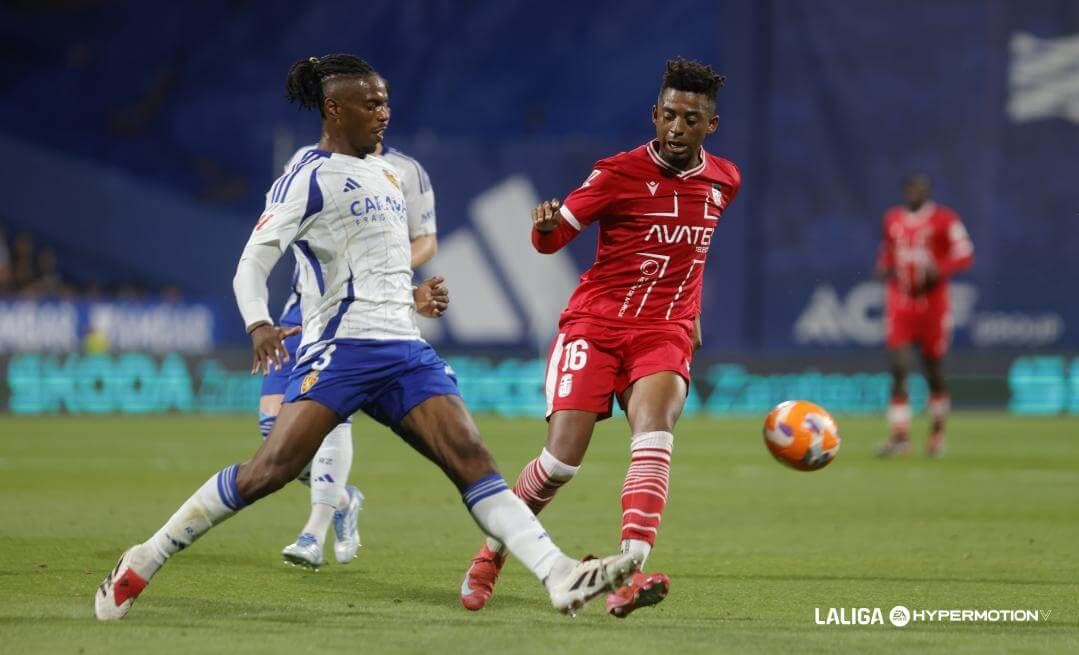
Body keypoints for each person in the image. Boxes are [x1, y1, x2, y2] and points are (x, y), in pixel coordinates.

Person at [94, 53, 637, 621]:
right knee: (269, 471)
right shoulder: (307, 177)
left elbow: (374, 269)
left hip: (402, 348)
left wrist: (411, 298)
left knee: (472, 457)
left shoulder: (386, 174)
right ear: (334, 109)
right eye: (371, 102)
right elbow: (252, 262)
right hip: (342, 349)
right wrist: (258, 323)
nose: (385, 111)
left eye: (385, 100)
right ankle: (142, 559)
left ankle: (559, 576)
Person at [458, 57, 740, 618]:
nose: (677, 127)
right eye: (669, 115)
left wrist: (693, 314)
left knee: (655, 433)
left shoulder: (723, 180)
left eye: (691, 118)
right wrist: (543, 226)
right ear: (654, 115)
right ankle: (491, 554)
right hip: (596, 324)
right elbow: (553, 237)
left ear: (712, 124)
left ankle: (628, 569)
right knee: (561, 462)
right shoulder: (617, 172)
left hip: (663, 332)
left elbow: (693, 254)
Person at [264, 91, 440, 569]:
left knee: (333, 414)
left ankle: (312, 533)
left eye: (380, 107)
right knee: (273, 432)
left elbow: (426, 238)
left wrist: (384, 268)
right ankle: (343, 499)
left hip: (360, 315)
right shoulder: (307, 162)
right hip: (301, 311)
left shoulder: (406, 172)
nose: (375, 116)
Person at [874, 173, 974, 458]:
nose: (913, 193)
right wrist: (883, 265)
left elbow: (965, 253)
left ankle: (937, 434)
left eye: (919, 189)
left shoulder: (945, 220)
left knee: (935, 373)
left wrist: (941, 267)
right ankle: (900, 437)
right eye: (909, 188)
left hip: (933, 304)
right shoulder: (893, 219)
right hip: (901, 302)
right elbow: (889, 251)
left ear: (928, 191)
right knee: (899, 367)